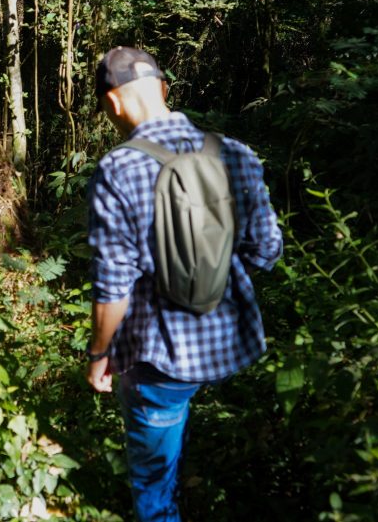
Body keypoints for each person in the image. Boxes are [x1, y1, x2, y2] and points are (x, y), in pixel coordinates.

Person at [85, 46, 283, 522]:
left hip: (160, 356)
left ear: (112, 103)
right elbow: (267, 249)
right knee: (176, 411)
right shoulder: (233, 152)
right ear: (165, 90)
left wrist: (98, 356)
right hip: (227, 343)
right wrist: (212, 275)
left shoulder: (118, 169)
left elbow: (114, 285)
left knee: (153, 475)